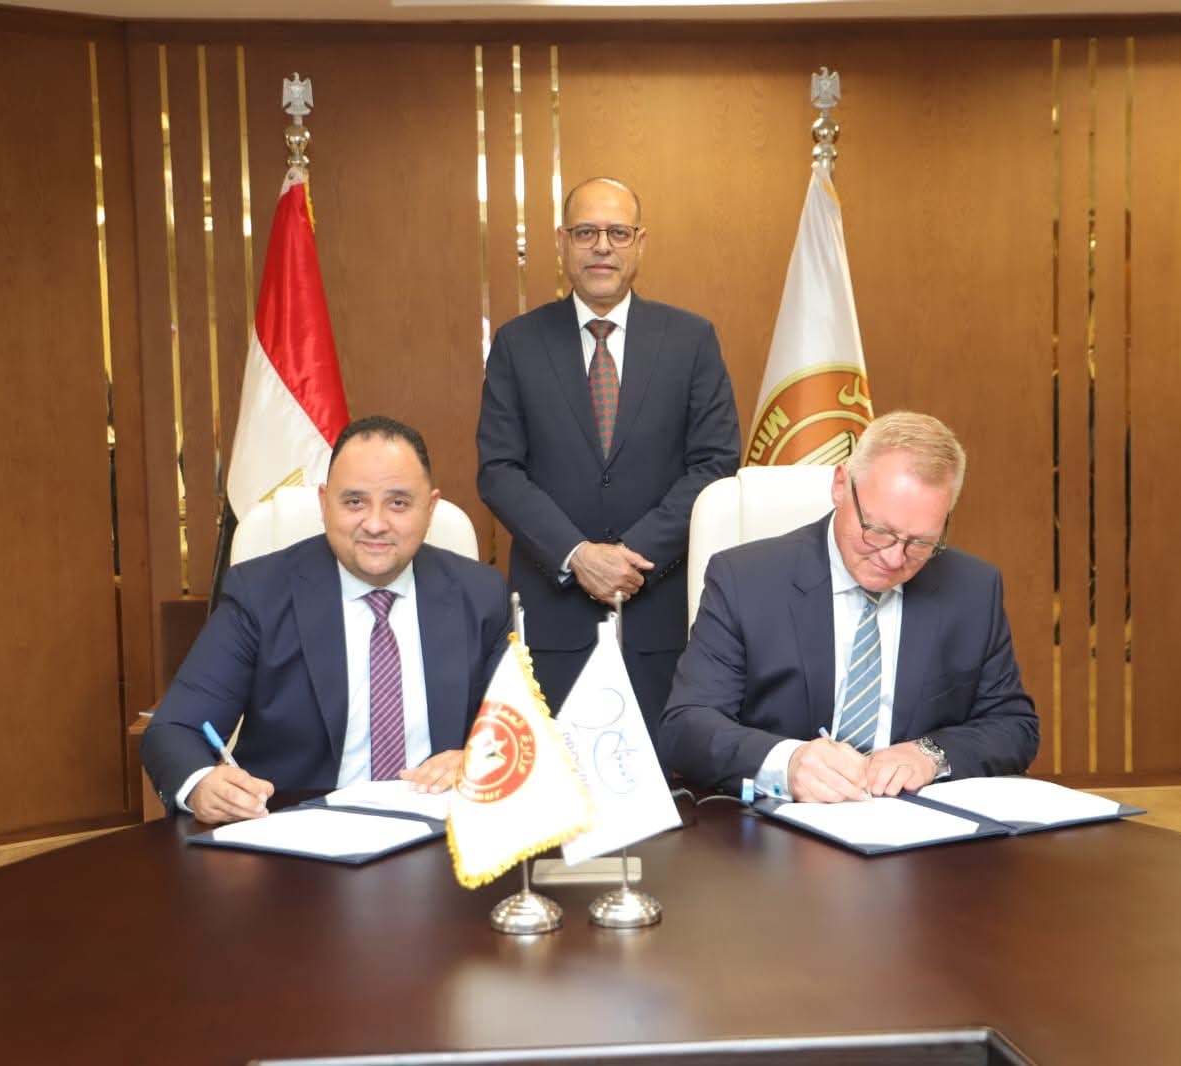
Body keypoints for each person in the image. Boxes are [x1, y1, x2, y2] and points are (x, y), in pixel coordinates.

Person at [142, 416, 510, 824]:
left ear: (430, 508)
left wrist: (482, 759)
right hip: (295, 834)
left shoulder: (481, 595)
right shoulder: (260, 593)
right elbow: (175, 729)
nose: (375, 524)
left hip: (441, 833)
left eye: (398, 503)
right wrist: (201, 784)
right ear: (324, 503)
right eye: (354, 502)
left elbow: (527, 734)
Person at [656, 411, 1039, 801]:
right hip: (781, 823)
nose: (893, 558)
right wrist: (787, 763)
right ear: (841, 485)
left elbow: (1014, 725)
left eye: (921, 542)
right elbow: (686, 727)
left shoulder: (972, 589)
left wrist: (932, 754)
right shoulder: (745, 580)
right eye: (878, 531)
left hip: (916, 824)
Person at [477, 176, 741, 726]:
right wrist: (578, 555)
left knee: (668, 774)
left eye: (618, 233)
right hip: (553, 622)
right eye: (586, 232)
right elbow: (499, 470)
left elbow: (715, 463)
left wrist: (631, 555)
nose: (602, 246)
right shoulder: (517, 343)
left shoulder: (691, 340)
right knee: (558, 775)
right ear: (562, 241)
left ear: (640, 242)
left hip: (661, 615)